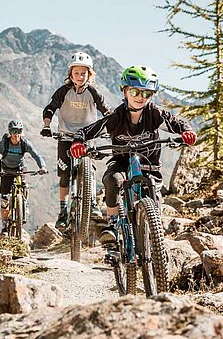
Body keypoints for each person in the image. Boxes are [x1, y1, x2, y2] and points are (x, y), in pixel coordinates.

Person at [69, 65, 196, 243]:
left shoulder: (155, 113)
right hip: (121, 162)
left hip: (149, 166)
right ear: (125, 91)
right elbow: (89, 131)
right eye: (135, 92)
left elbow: (177, 123)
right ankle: (112, 225)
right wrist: (78, 142)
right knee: (112, 180)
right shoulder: (116, 117)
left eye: (146, 94)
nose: (140, 97)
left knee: (155, 205)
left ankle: (156, 244)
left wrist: (187, 132)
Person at [41, 52, 110, 229]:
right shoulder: (64, 91)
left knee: (90, 168)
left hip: (88, 136)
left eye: (84, 73)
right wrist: (47, 126)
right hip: (65, 136)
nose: (80, 76)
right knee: (64, 174)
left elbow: (107, 111)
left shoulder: (93, 92)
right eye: (76, 73)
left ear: (89, 74)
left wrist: (113, 127)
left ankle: (92, 202)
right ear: (71, 74)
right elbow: (50, 108)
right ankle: (63, 211)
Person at [0, 120, 48, 235]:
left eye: (19, 131)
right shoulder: (4, 143)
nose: (16, 134)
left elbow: (37, 155)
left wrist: (43, 167)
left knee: (24, 186)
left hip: (20, 168)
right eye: (14, 131)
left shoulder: (25, 143)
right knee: (4, 199)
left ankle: (23, 204)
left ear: (22, 132)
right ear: (10, 132)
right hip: (6, 169)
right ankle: (4, 224)